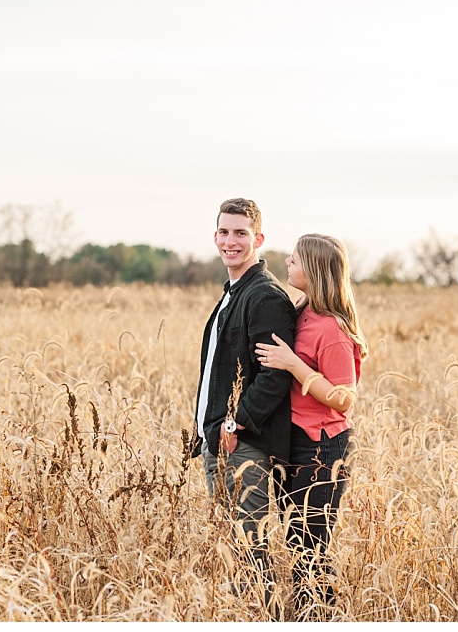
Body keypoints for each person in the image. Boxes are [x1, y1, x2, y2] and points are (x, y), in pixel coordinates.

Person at [192, 197, 296, 615]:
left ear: (259, 238)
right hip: (220, 444)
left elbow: (277, 374)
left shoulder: (264, 296)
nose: (230, 241)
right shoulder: (234, 293)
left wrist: (234, 425)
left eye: (240, 233)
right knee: (232, 549)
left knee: (250, 552)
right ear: (215, 235)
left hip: (244, 447)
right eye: (224, 232)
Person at [255, 233, 368, 619]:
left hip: (322, 448)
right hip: (294, 442)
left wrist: (292, 364)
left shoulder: (332, 330)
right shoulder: (301, 310)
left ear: (315, 271)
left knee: (311, 547)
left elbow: (343, 397)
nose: (287, 261)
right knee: (295, 538)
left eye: (296, 259)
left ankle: (322, 619)